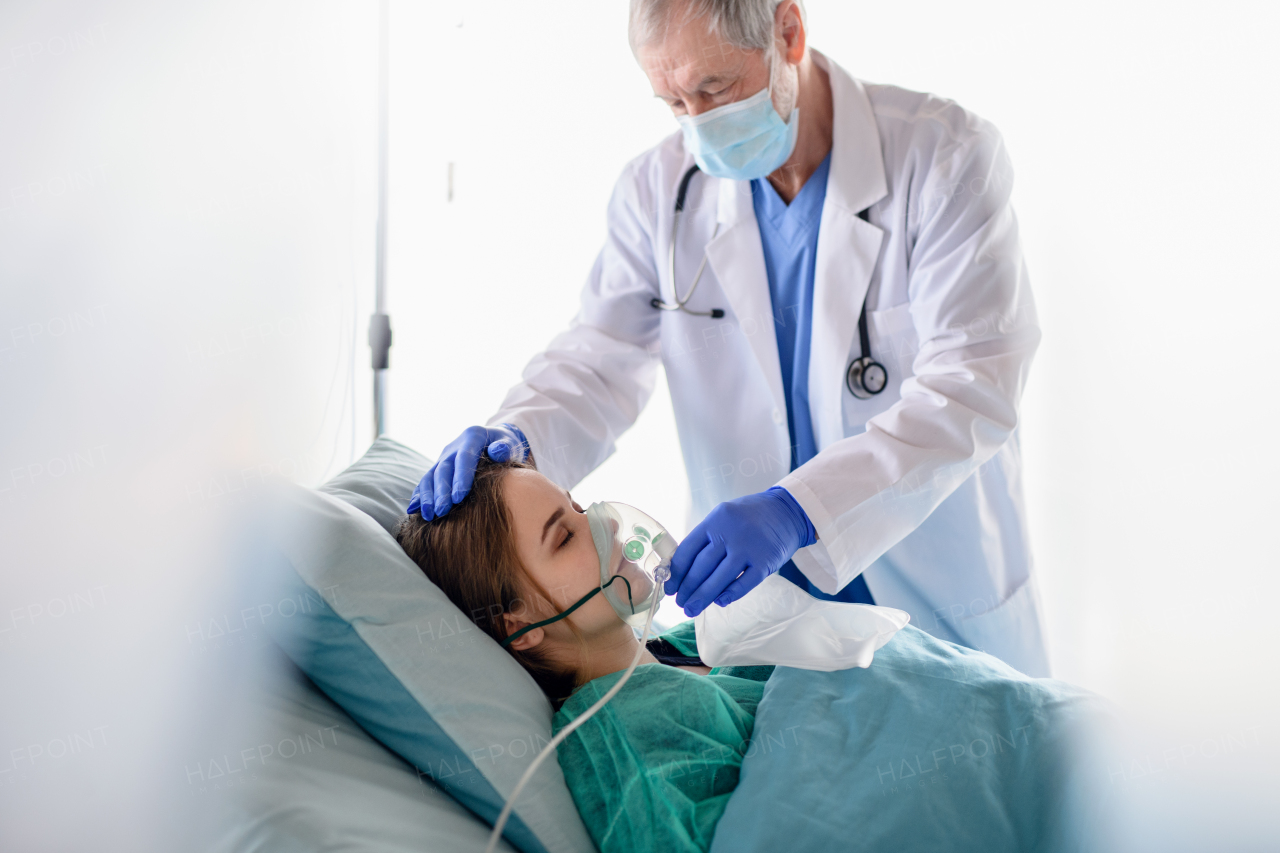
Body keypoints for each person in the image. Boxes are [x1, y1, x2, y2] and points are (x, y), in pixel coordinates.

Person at [409, 0, 1049, 677]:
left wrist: (799, 511)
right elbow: (599, 358)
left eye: (714, 90)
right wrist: (520, 438)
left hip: (935, 591)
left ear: (789, 33)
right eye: (673, 102)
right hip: (758, 614)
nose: (697, 125)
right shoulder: (658, 191)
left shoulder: (943, 156)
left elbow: (973, 385)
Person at [396, 455, 772, 852]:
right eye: (565, 537)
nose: (607, 522)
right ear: (520, 626)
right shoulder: (624, 736)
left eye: (578, 508)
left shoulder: (686, 643)